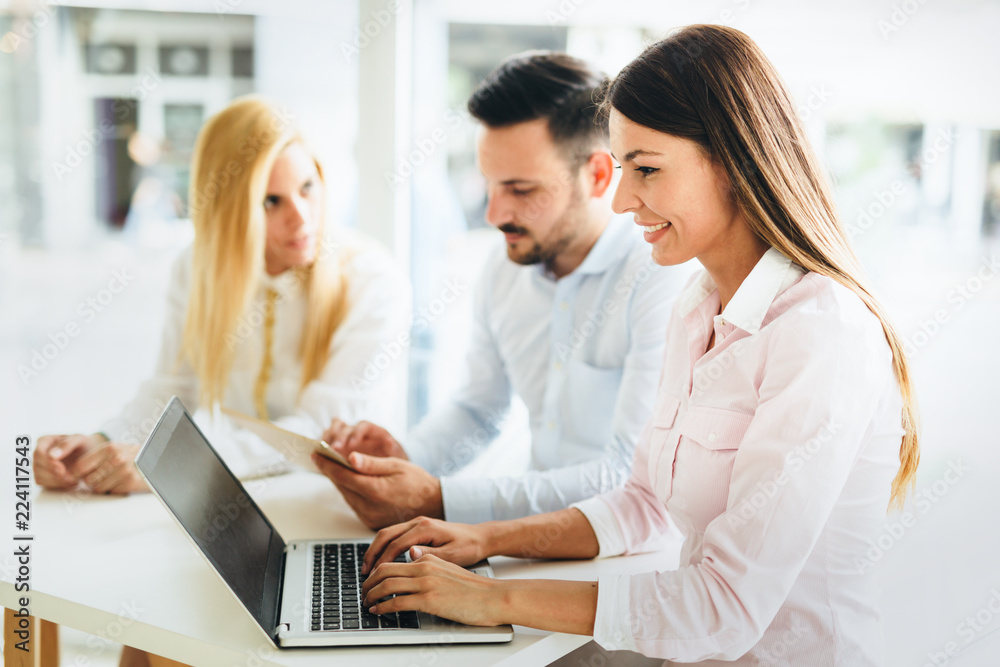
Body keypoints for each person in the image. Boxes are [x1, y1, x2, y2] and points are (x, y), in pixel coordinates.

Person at [356, 25, 920, 665]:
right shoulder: (699, 304)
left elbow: (722, 609)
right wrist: (478, 538)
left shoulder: (820, 333)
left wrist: (491, 600)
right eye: (624, 170)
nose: (622, 200)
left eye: (646, 169)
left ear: (734, 162)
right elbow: (643, 504)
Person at [312, 52, 690, 530]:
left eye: (521, 190)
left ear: (596, 175)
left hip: (624, 554)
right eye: (489, 185)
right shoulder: (505, 267)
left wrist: (439, 499)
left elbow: (627, 476)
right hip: (529, 541)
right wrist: (405, 457)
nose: (494, 215)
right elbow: (478, 409)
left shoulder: (662, 274)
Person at [33, 96, 410, 495]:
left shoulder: (373, 279)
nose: (301, 216)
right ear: (229, 209)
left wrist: (172, 467)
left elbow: (318, 430)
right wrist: (99, 445)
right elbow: (172, 388)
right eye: (271, 201)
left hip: (342, 505)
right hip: (245, 501)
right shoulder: (197, 268)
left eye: (307, 187)